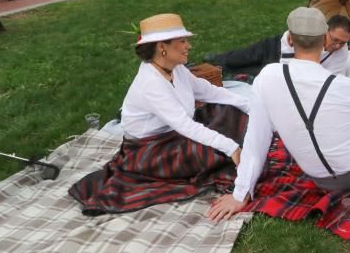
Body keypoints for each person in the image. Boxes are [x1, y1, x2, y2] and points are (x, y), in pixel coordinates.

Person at [207, 8, 350, 221]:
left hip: (320, 179)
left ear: (290, 41)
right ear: (324, 39)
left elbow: (256, 139)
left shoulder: (266, 78)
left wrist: (240, 194)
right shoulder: (347, 86)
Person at [69, 13, 250, 213]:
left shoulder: (176, 68)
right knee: (213, 149)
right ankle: (234, 157)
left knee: (229, 111)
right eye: (182, 41)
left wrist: (250, 106)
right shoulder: (151, 83)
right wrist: (231, 148)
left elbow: (208, 91)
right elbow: (184, 125)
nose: (188, 46)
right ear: (162, 47)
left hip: (174, 135)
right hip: (150, 151)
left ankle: (238, 153)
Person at [204, 14, 350, 76]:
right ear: (325, 31)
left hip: (287, 68)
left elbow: (332, 76)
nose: (338, 46)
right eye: (335, 40)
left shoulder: (342, 52)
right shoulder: (311, 32)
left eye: (343, 42)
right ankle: (216, 58)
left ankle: (216, 70)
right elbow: (291, 39)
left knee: (246, 71)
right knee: (240, 58)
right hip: (274, 48)